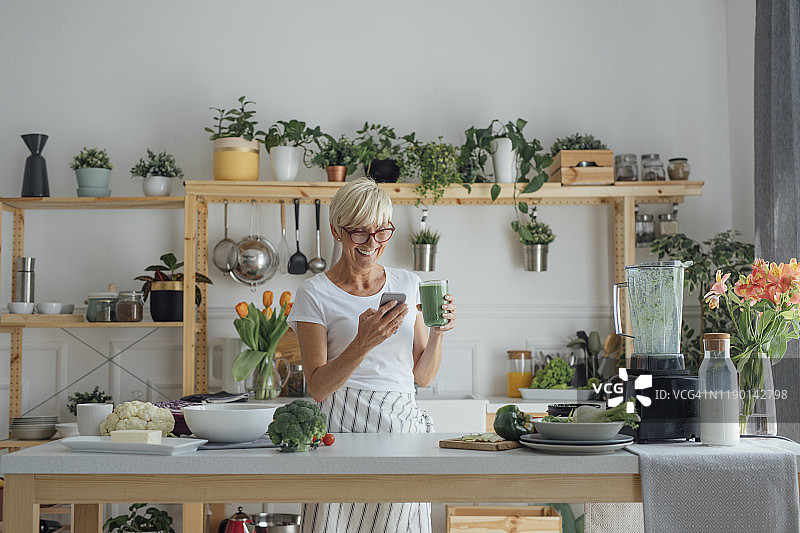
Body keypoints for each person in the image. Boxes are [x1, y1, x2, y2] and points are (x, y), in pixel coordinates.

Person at [288, 177, 457, 533]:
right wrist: (363, 342)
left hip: (401, 431)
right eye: (359, 233)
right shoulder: (314, 294)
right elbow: (318, 387)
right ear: (337, 231)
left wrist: (439, 332)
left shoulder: (408, 284)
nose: (372, 244)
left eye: (382, 232)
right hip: (339, 431)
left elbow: (422, 376)